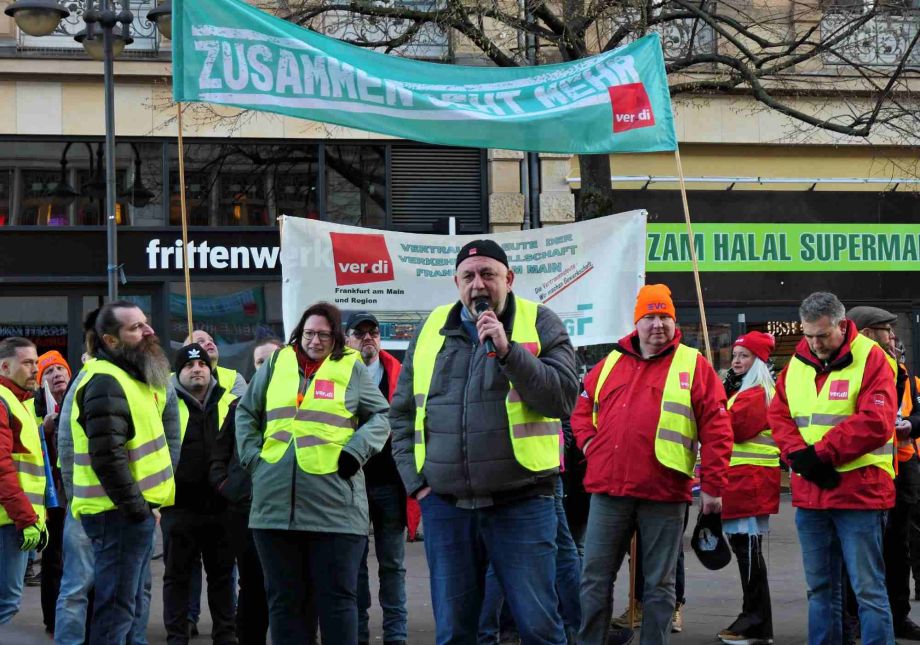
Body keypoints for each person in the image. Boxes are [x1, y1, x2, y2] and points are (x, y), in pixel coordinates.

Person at [390, 239, 579, 645]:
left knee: (539, 627)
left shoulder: (540, 322)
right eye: (469, 276)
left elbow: (563, 398)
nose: (478, 284)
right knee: (456, 632)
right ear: (456, 283)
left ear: (508, 278)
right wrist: (417, 484)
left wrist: (508, 351)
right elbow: (402, 413)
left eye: (488, 274)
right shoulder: (431, 329)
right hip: (446, 507)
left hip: (523, 502)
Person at [571, 283, 733, 645]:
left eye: (664, 317)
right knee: (594, 579)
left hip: (664, 491)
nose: (658, 324)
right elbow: (581, 411)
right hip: (609, 489)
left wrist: (713, 488)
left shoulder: (694, 364)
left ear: (674, 322)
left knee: (659, 585)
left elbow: (718, 429)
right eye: (650, 317)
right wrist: (591, 445)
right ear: (637, 322)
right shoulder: (610, 363)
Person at [235, 301, 390, 645]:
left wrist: (356, 452)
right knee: (285, 603)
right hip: (274, 509)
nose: (315, 341)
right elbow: (246, 412)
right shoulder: (276, 362)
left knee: (337, 602)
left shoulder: (351, 367)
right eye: (308, 333)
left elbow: (381, 416)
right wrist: (252, 459)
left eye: (323, 334)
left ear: (336, 337)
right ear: (298, 333)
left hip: (335, 509)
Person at [769, 292, 896, 645]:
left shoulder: (872, 358)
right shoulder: (798, 361)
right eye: (808, 335)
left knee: (867, 590)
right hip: (814, 493)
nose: (815, 343)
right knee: (821, 590)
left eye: (822, 335)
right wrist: (800, 456)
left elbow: (876, 421)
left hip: (859, 493)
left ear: (842, 325)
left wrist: (817, 456)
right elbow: (779, 415)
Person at [70, 301, 177, 644]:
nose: (149, 331)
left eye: (146, 323)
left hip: (128, 512)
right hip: (116, 514)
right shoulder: (106, 381)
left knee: (126, 606)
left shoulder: (132, 377)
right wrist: (138, 509)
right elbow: (108, 458)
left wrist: (145, 508)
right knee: (116, 610)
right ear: (110, 340)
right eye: (135, 327)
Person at [847, 305, 920, 640]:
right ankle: (855, 618)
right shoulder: (854, 368)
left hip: (901, 467)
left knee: (897, 548)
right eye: (886, 330)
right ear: (866, 333)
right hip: (867, 471)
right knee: (862, 552)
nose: (892, 337)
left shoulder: (901, 371)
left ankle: (898, 614)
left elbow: (916, 414)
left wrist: (911, 425)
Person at [162, 343, 239, 645]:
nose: (197, 369)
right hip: (178, 507)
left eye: (203, 364)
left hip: (222, 507)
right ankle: (176, 637)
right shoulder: (165, 403)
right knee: (177, 577)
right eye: (189, 365)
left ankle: (225, 635)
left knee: (223, 577)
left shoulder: (230, 402)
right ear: (177, 373)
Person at [344, 312, 408, 645]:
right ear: (347, 339)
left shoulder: (399, 372)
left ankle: (396, 634)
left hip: (391, 484)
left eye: (374, 332)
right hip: (350, 483)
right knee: (354, 563)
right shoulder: (337, 375)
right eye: (360, 332)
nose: (368, 337)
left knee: (393, 564)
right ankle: (358, 632)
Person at [717, 331, 780, 645]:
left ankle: (755, 621)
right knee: (747, 553)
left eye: (744, 356)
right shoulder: (750, 391)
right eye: (735, 356)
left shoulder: (755, 394)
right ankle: (754, 619)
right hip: (746, 482)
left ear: (759, 361)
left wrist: (717, 404)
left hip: (748, 482)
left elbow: (733, 429)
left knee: (748, 554)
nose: (736, 361)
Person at [0, 337, 46, 625]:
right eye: (28, 363)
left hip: (14, 518)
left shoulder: (21, 402)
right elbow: (2, 469)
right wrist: (27, 518)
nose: (35, 369)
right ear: (5, 367)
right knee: (7, 601)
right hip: (9, 521)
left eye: (36, 362)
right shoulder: (5, 401)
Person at [29, 350, 71, 635]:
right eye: (49, 372)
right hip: (51, 495)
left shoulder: (79, 397)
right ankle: (53, 619)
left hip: (78, 490)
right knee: (53, 558)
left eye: (60, 369)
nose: (56, 375)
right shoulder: (34, 407)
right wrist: (43, 430)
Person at [188, 329, 248, 397]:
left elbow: (242, 403)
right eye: (200, 341)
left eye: (211, 340)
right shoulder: (176, 380)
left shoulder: (234, 378)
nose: (209, 342)